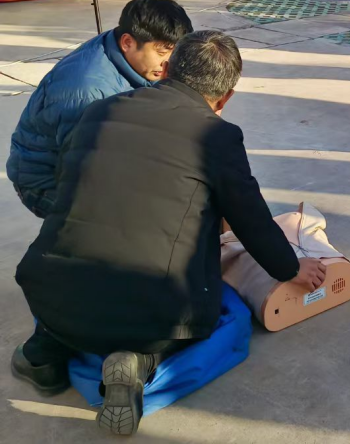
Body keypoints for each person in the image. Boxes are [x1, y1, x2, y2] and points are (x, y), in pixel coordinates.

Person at [12, 31, 327, 436]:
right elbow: (251, 220)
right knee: (228, 318)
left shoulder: (99, 111)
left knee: (82, 293)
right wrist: (291, 268)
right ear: (225, 97)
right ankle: (141, 361)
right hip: (154, 314)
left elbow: (74, 185)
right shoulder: (218, 136)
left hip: (47, 289)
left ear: (166, 70)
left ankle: (45, 351)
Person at [6, 0, 193, 218]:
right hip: (47, 181)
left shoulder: (127, 51)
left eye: (173, 52)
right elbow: (83, 170)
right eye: (161, 53)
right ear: (127, 43)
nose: (168, 62)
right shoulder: (87, 91)